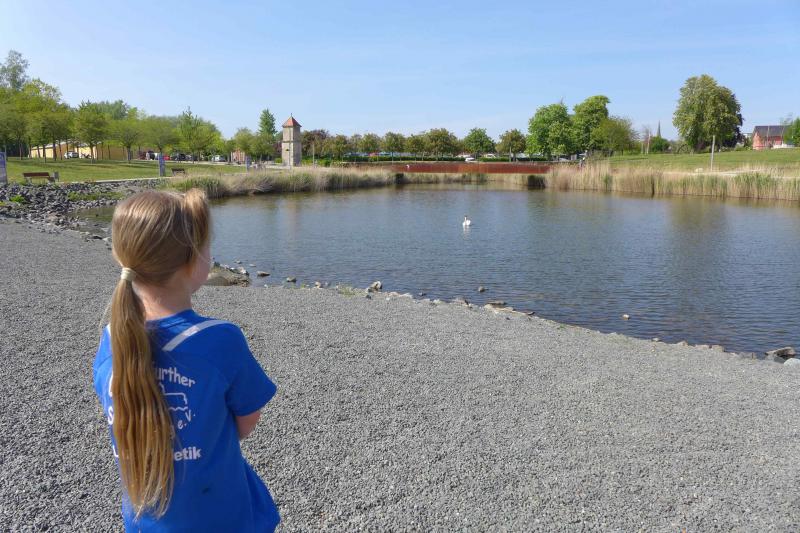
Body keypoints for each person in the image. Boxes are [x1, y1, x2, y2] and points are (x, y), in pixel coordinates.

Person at [92, 189, 280, 532]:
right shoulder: (220, 340)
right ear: (193, 261)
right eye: (207, 246)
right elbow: (247, 420)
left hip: (145, 519)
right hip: (219, 517)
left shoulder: (111, 341)